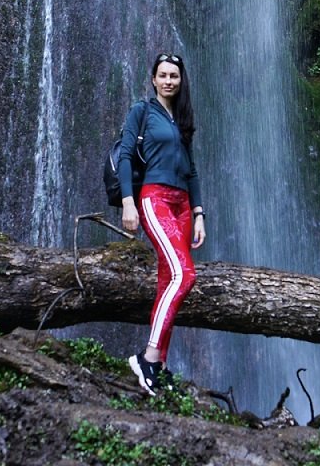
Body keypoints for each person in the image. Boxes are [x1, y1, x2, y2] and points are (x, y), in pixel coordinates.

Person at [118, 51, 205, 396]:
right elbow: (126, 155)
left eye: (175, 76)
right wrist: (128, 202)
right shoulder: (142, 112)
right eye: (163, 75)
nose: (169, 80)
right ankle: (147, 357)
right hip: (153, 198)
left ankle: (161, 366)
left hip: (183, 204)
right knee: (186, 274)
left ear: (181, 81)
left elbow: (192, 169)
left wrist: (199, 213)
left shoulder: (181, 118)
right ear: (153, 79)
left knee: (169, 279)